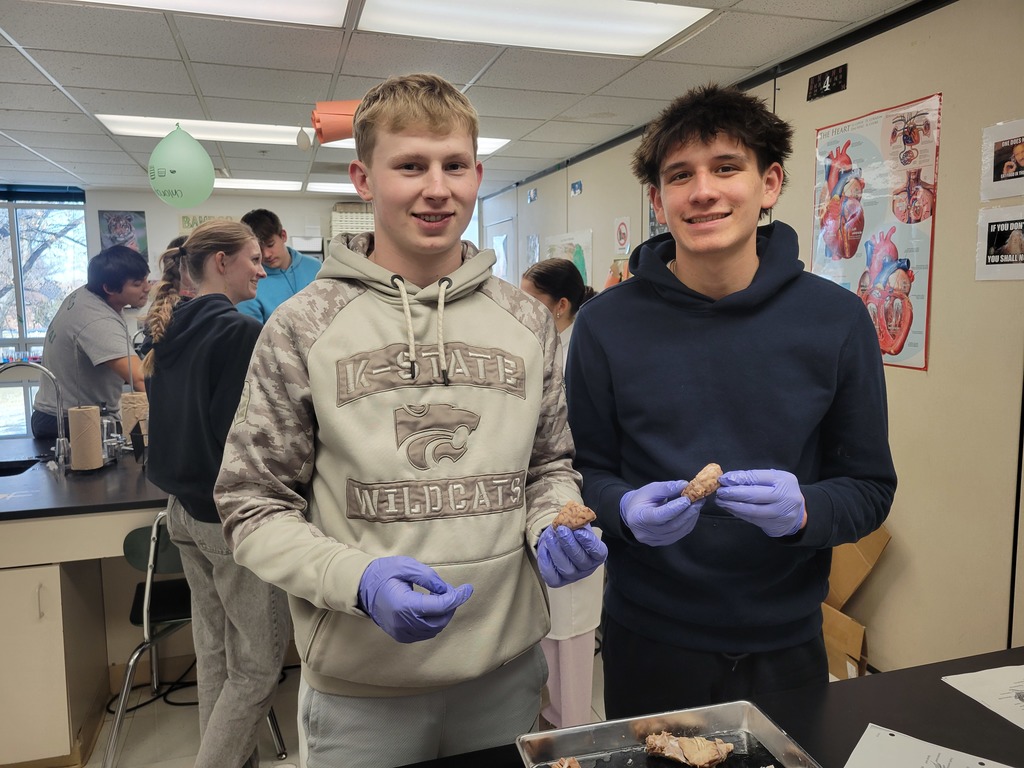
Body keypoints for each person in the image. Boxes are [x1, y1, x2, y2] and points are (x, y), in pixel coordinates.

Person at [214, 72, 606, 768]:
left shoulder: (525, 322)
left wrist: (554, 517)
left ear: (477, 173)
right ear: (365, 178)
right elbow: (250, 504)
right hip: (362, 689)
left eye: (454, 165)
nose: (436, 187)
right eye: (410, 166)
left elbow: (550, 466)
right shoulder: (302, 325)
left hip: (505, 673)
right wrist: (355, 581)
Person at [565, 84, 897, 720]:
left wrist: (806, 511)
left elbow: (870, 487)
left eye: (726, 168)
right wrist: (625, 511)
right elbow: (585, 474)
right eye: (680, 176)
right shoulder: (605, 325)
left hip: (787, 643)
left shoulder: (837, 320)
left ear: (769, 184)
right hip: (649, 640)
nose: (704, 191)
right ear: (659, 201)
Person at [142, 220, 290, 768]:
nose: (262, 267)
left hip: (182, 513)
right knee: (255, 670)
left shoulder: (169, 328)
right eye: (253, 258)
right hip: (227, 520)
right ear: (221, 262)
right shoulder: (237, 334)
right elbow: (245, 439)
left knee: (216, 659)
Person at [520, 258, 601, 728]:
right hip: (546, 508)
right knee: (547, 630)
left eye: (531, 300)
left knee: (569, 631)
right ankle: (552, 718)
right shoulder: (541, 347)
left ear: (560, 306)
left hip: (578, 500)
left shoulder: (575, 353)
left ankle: (568, 731)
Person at [31, 244, 150, 438]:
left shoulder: (86, 294)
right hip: (69, 421)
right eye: (137, 284)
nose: (147, 288)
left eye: (146, 279)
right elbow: (139, 378)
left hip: (57, 414)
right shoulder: (98, 319)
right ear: (109, 288)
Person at [235, 208, 321, 322]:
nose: (266, 255)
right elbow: (253, 335)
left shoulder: (317, 268)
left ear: (283, 236)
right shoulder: (249, 284)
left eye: (270, 244)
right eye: (259, 249)